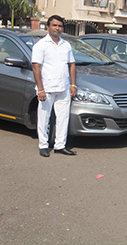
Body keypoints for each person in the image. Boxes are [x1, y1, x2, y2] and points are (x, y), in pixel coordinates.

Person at [32, 15, 77, 157]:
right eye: (55, 25)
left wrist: (73, 84)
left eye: (60, 26)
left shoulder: (66, 45)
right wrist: (40, 89)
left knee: (63, 118)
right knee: (44, 117)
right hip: (47, 88)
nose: (57, 28)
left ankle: (60, 145)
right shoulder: (41, 45)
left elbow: (72, 65)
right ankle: (43, 145)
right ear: (48, 27)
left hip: (63, 87)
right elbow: (36, 67)